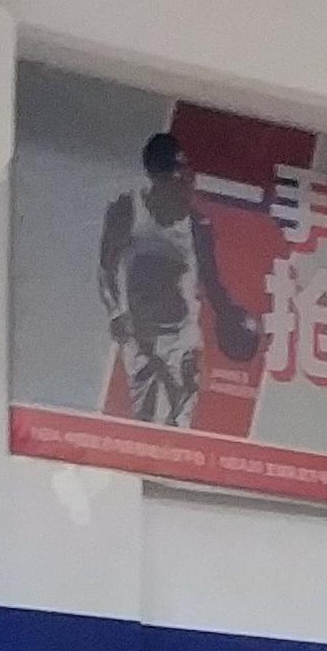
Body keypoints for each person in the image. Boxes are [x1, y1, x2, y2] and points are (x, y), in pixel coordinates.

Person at [95, 130, 256, 429]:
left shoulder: (197, 225)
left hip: (182, 336)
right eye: (176, 180)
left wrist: (231, 316)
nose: (185, 187)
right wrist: (115, 312)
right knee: (144, 420)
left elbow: (211, 281)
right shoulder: (128, 210)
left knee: (181, 421)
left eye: (188, 180)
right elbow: (106, 269)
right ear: (157, 179)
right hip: (139, 336)